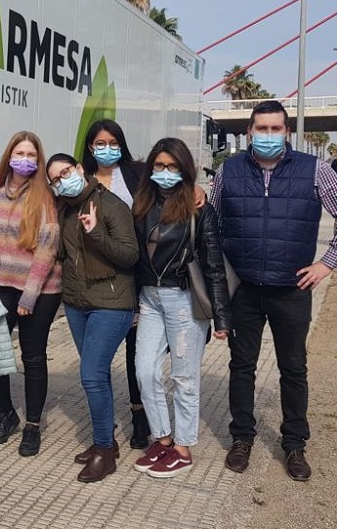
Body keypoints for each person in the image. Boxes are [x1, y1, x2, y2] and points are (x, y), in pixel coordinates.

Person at [213, 100, 337, 482]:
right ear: (249, 132)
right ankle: (242, 438)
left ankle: (294, 444)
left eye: (275, 129)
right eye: (260, 129)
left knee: (293, 369)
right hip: (243, 287)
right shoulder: (228, 171)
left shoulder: (314, 171)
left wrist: (327, 264)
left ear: (287, 132)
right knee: (241, 366)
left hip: (292, 288)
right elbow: (208, 224)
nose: (267, 136)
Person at [131, 138, 232, 479]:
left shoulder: (198, 208)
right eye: (159, 166)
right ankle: (163, 438)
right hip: (149, 298)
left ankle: (183, 448)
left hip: (183, 301)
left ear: (185, 170)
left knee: (184, 378)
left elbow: (214, 265)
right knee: (144, 371)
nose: (165, 173)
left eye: (173, 167)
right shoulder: (141, 204)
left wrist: (221, 316)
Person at [46, 153, 139, 484]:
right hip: (76, 303)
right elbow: (64, 255)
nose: (62, 181)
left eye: (66, 173)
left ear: (80, 170)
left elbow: (130, 256)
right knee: (96, 375)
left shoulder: (110, 205)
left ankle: (104, 452)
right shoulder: (66, 208)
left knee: (91, 375)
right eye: (55, 179)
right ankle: (108, 440)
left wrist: (96, 231)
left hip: (111, 302)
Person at [0, 131, 62, 457]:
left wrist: (29, 297)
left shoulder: (44, 198)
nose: (26, 160)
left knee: (32, 357)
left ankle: (32, 426)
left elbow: (47, 249)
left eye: (32, 155)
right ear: (9, 155)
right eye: (20, 153)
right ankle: (6, 413)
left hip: (40, 289)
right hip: (3, 285)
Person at [79, 119, 150, 449]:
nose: (106, 148)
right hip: (96, 281)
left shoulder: (137, 174)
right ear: (90, 147)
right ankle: (105, 426)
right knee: (98, 359)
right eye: (99, 143)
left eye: (112, 142)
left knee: (137, 352)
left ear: (120, 144)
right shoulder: (80, 181)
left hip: (135, 273)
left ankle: (138, 414)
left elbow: (170, 193)